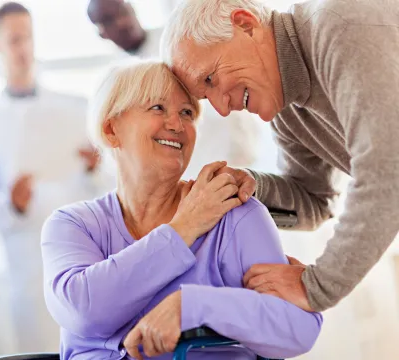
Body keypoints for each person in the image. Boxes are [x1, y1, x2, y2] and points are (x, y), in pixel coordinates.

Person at [41, 59, 322, 360]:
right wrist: (184, 228)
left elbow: (298, 328)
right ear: (111, 130)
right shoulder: (73, 225)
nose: (176, 125)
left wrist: (193, 305)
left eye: (186, 113)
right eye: (157, 108)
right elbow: (83, 312)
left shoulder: (234, 215)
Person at [160, 0, 399, 314]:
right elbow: (316, 202)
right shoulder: (287, 112)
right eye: (206, 97)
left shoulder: (340, 23)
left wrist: (316, 286)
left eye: (210, 79)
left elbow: (387, 171)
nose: (221, 107)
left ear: (245, 25)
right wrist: (251, 186)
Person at [0, 2, 104, 353]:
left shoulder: (76, 108)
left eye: (26, 38)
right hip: (27, 266)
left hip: (82, 254)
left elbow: (109, 188)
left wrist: (95, 168)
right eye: (12, 40)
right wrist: (11, 205)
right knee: (42, 349)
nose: (22, 48)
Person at [86, 0, 262, 178]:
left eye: (122, 12)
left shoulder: (179, 40)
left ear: (132, 9)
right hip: (186, 166)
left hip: (230, 140)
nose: (121, 22)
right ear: (101, 33)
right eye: (108, 20)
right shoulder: (116, 82)